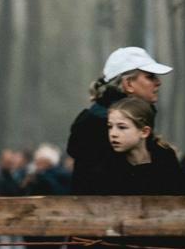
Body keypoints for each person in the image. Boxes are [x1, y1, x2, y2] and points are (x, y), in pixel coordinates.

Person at [74, 95, 185, 249]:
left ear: (144, 132)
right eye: (110, 126)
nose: (113, 133)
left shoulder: (166, 165)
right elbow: (89, 226)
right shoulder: (104, 169)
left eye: (122, 127)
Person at [68, 47, 171, 196]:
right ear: (128, 84)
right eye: (150, 77)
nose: (158, 82)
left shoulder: (97, 119)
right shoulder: (98, 125)